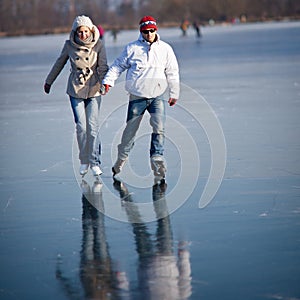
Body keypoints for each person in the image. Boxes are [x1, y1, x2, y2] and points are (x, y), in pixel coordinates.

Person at [102, 16, 180, 183]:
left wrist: (174, 93)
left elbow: (172, 71)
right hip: (137, 96)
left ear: (156, 30)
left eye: (152, 30)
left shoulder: (165, 49)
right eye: (146, 31)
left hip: (157, 96)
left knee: (159, 128)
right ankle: (121, 159)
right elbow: (117, 66)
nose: (149, 34)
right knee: (130, 132)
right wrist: (108, 81)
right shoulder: (132, 48)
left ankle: (157, 157)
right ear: (141, 32)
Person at [44, 15, 108, 177]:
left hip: (93, 88)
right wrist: (49, 81)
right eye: (80, 32)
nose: (83, 35)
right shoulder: (69, 45)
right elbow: (59, 63)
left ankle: (95, 162)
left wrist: (105, 83)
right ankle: (84, 160)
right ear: (75, 32)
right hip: (76, 89)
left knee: (92, 126)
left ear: (91, 30)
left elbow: (103, 66)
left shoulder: (99, 45)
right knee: (81, 126)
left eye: (85, 31)